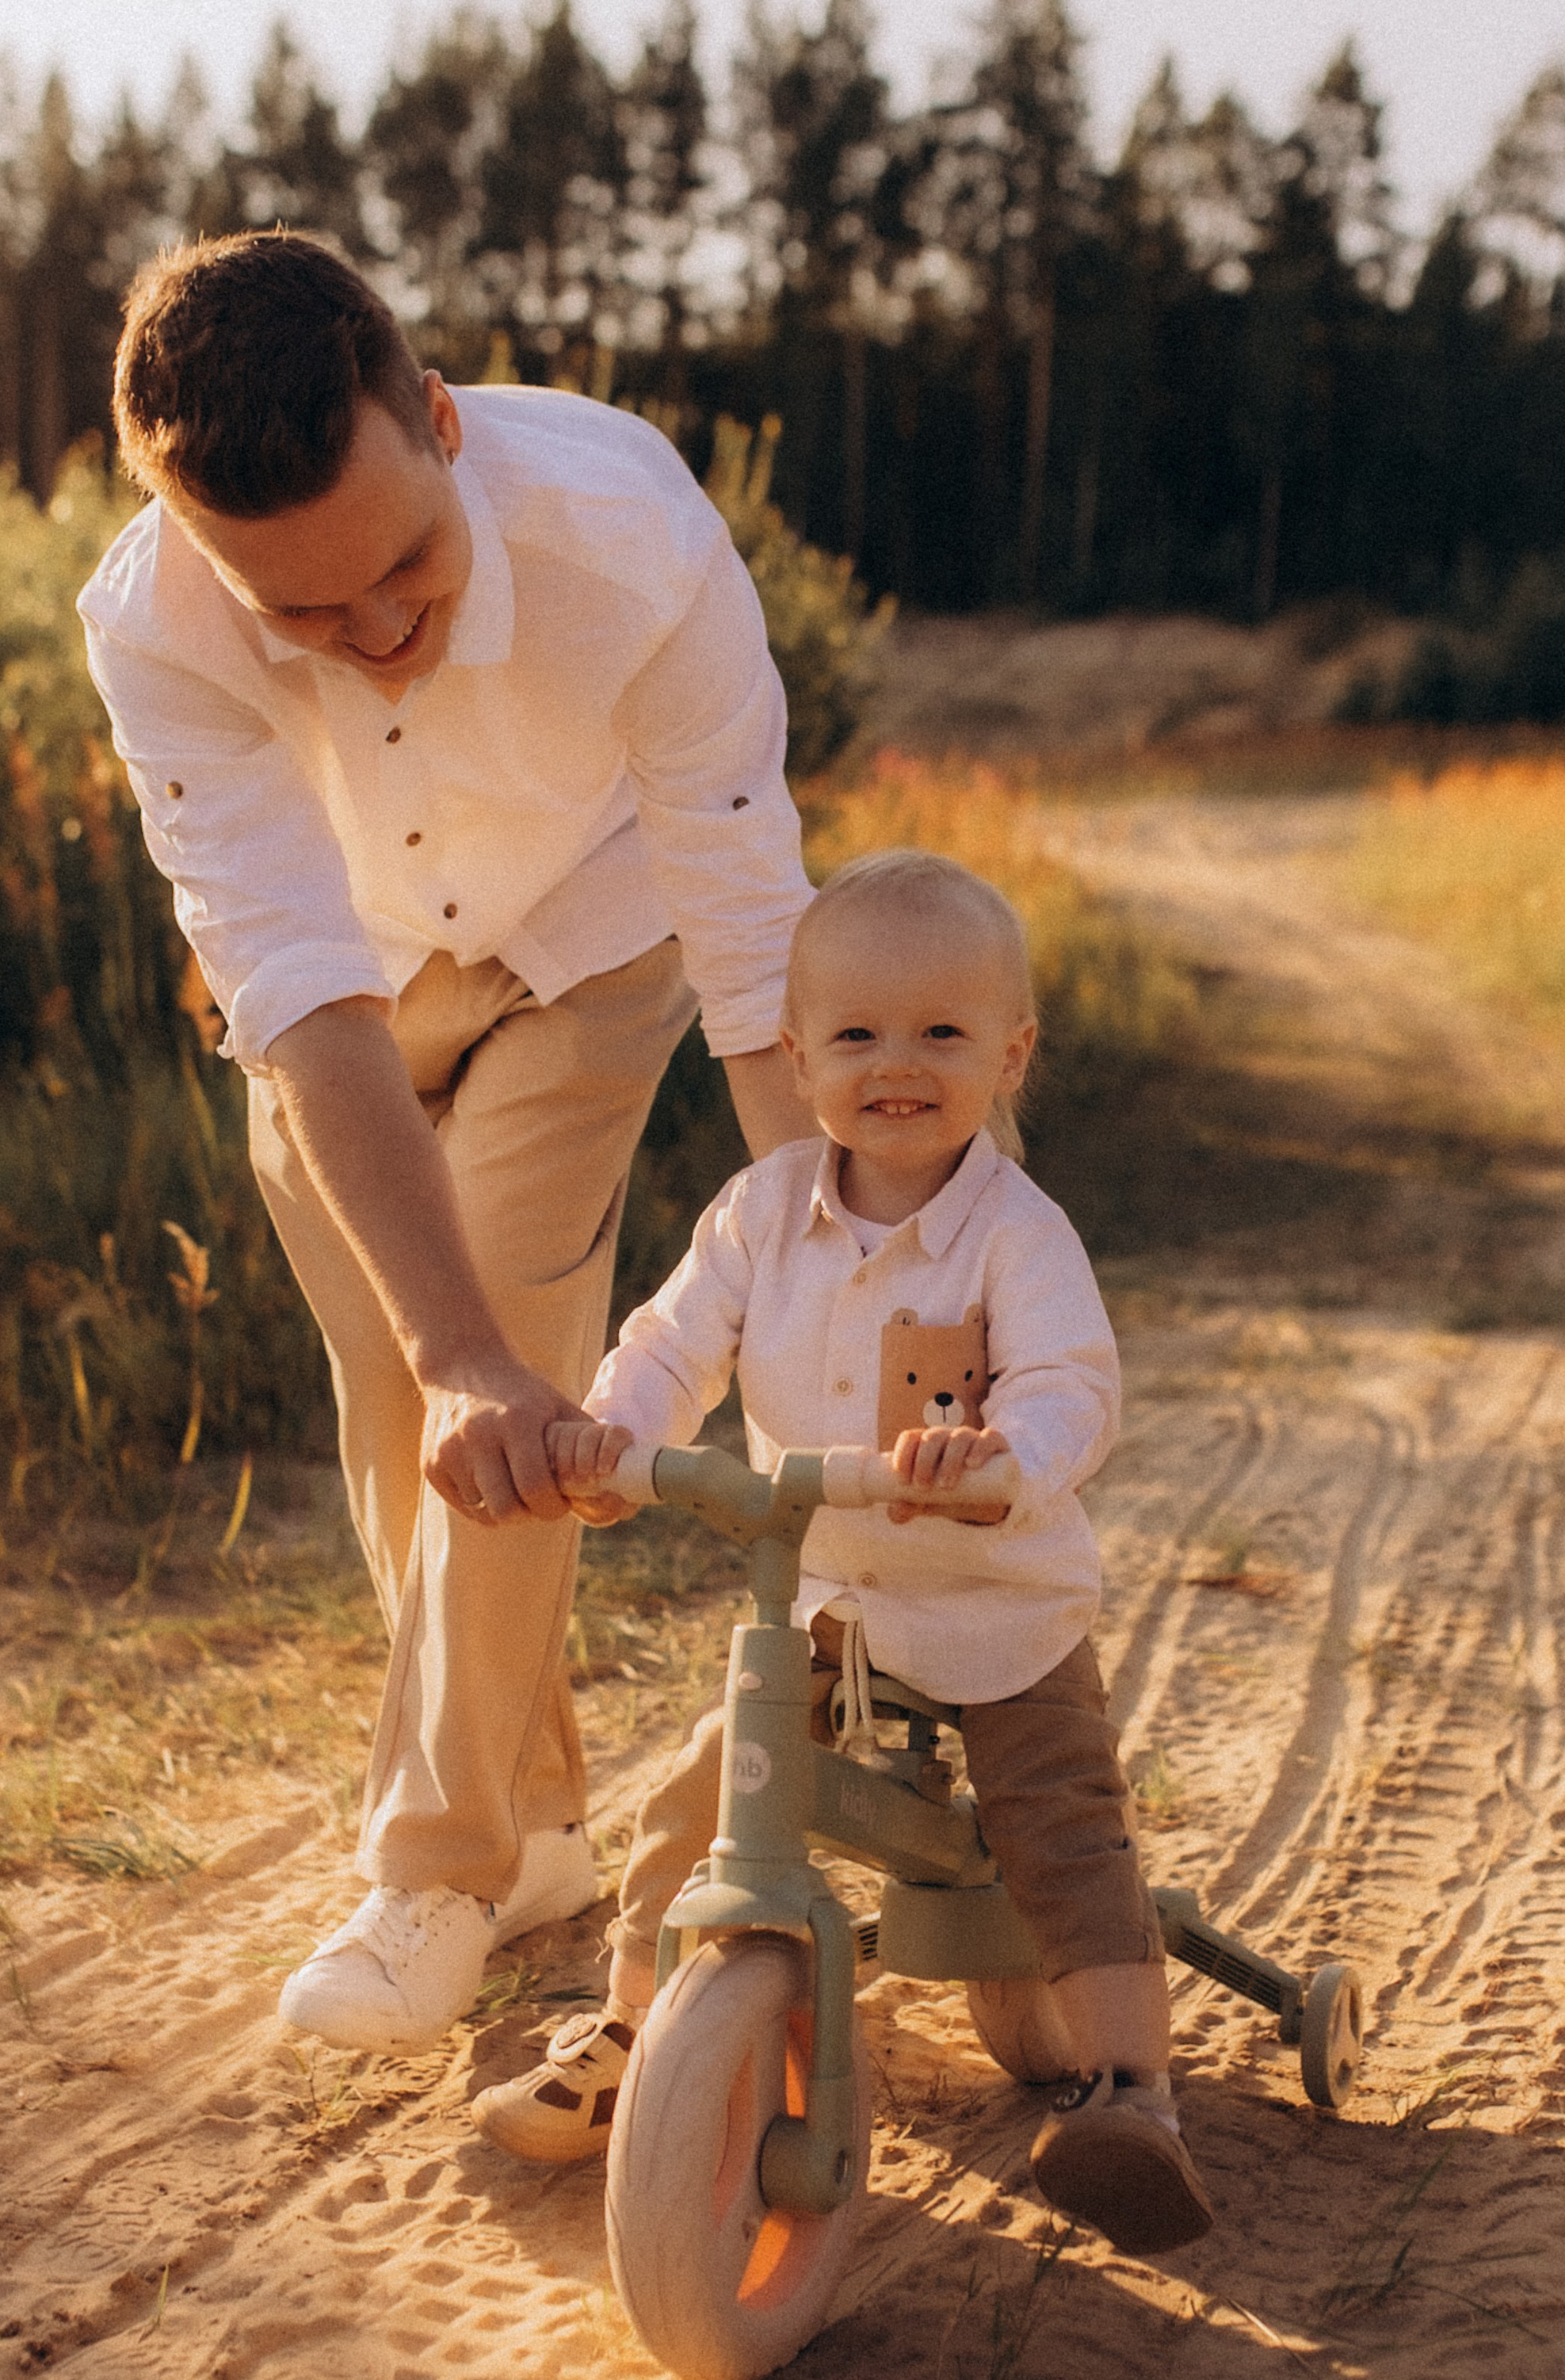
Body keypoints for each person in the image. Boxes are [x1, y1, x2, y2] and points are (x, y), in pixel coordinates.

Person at [78, 230, 819, 2054]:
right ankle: (544, 1826)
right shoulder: (148, 624)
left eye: (402, 564)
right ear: (192, 545)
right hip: (347, 988)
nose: (378, 632)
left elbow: (747, 942)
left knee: (507, 1320)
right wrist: (454, 1356)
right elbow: (298, 988)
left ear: (438, 416)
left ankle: (432, 1870)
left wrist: (841, 1284)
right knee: (411, 1397)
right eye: (306, 616)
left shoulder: (631, 536)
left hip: (593, 939)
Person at [474, 851, 1212, 2257]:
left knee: (1063, 1833)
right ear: (797, 1053)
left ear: (1010, 1055)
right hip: (825, 1604)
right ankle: (634, 2029)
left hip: (1000, 1612)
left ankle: (1133, 2091)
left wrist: (1004, 1456)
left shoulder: (1014, 1234)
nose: (898, 1066)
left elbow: (1072, 1384)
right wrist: (615, 1437)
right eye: (859, 1035)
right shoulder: (760, 1216)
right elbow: (676, 1339)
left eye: (942, 1034)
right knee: (702, 1800)